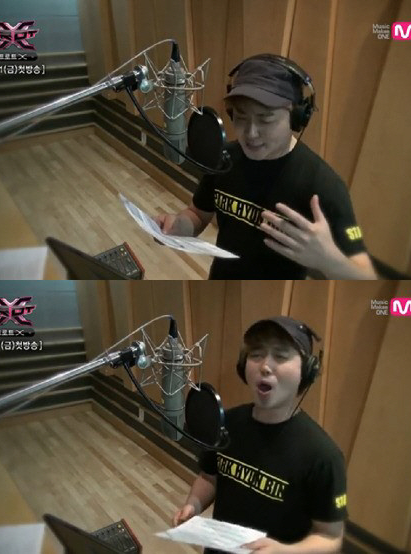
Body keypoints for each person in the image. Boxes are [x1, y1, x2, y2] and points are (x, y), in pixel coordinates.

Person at [154, 54, 377, 279]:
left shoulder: (324, 185)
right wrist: (178, 226)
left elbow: (365, 274)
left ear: (297, 117)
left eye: (266, 120)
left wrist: (328, 260)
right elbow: (198, 214)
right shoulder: (224, 159)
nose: (251, 133)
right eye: (241, 117)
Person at [172, 316, 347, 553]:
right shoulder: (226, 423)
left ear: (306, 372)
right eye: (256, 355)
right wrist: (193, 504)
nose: (265, 366)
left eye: (281, 356)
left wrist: (284, 551)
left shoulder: (324, 456)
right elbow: (209, 477)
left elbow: (330, 537)